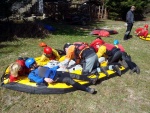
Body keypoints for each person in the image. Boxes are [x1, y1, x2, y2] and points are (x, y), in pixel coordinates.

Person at [25, 58, 97, 94]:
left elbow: (50, 69)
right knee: (69, 80)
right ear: (31, 66)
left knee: (74, 75)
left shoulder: (40, 67)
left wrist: (58, 66)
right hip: (55, 78)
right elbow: (37, 80)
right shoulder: (31, 74)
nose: (36, 63)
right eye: (34, 63)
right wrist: (44, 79)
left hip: (57, 72)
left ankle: (91, 80)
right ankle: (87, 89)